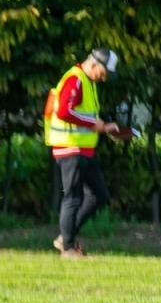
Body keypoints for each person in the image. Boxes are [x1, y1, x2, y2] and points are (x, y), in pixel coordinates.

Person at [45, 48, 131, 258]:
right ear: (94, 64)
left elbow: (86, 117)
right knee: (73, 198)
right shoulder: (75, 79)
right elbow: (64, 111)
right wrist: (95, 124)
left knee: (99, 195)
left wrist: (106, 128)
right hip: (70, 148)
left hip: (84, 150)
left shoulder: (87, 81)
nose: (105, 77)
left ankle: (66, 238)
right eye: (104, 72)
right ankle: (68, 249)